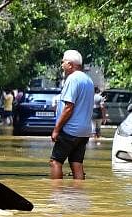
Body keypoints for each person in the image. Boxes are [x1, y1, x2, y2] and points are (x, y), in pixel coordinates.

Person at [50, 49, 94, 179]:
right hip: (84, 131)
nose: (62, 65)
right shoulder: (88, 80)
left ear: (70, 64)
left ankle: (56, 195)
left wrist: (56, 130)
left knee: (55, 162)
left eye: (63, 62)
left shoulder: (73, 79)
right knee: (77, 164)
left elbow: (69, 107)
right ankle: (78, 194)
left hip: (70, 130)